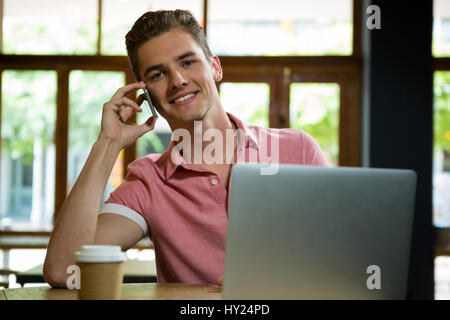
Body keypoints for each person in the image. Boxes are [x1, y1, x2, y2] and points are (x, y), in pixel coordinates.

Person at [43, 9, 329, 288]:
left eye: (188, 62)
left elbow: (349, 255)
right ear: (148, 97)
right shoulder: (148, 181)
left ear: (215, 67)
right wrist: (108, 144)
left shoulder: (297, 149)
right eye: (157, 75)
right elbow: (63, 271)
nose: (177, 80)